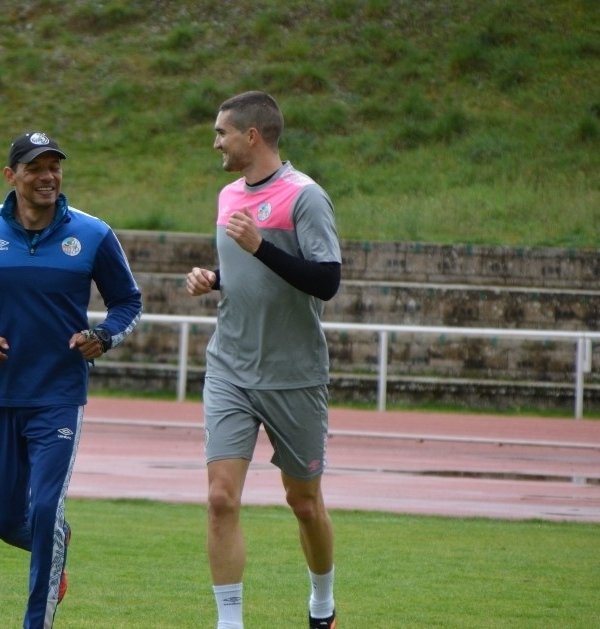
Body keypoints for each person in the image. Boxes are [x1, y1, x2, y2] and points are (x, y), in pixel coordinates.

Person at [0, 131, 142, 629]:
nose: (47, 176)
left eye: (54, 166)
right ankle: (55, 548)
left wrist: (105, 337)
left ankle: (38, 620)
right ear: (12, 176)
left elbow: (128, 302)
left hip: (59, 393)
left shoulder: (93, 234)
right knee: (6, 521)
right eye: (35, 167)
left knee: (48, 506)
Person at [185, 91, 342, 629]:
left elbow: (327, 280)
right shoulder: (228, 195)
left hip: (293, 374)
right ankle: (230, 622)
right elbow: (250, 275)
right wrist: (216, 279)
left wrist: (260, 248)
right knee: (220, 498)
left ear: (252, 136)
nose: (215, 143)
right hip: (229, 367)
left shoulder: (306, 197)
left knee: (303, 502)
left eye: (221, 133)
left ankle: (322, 603)